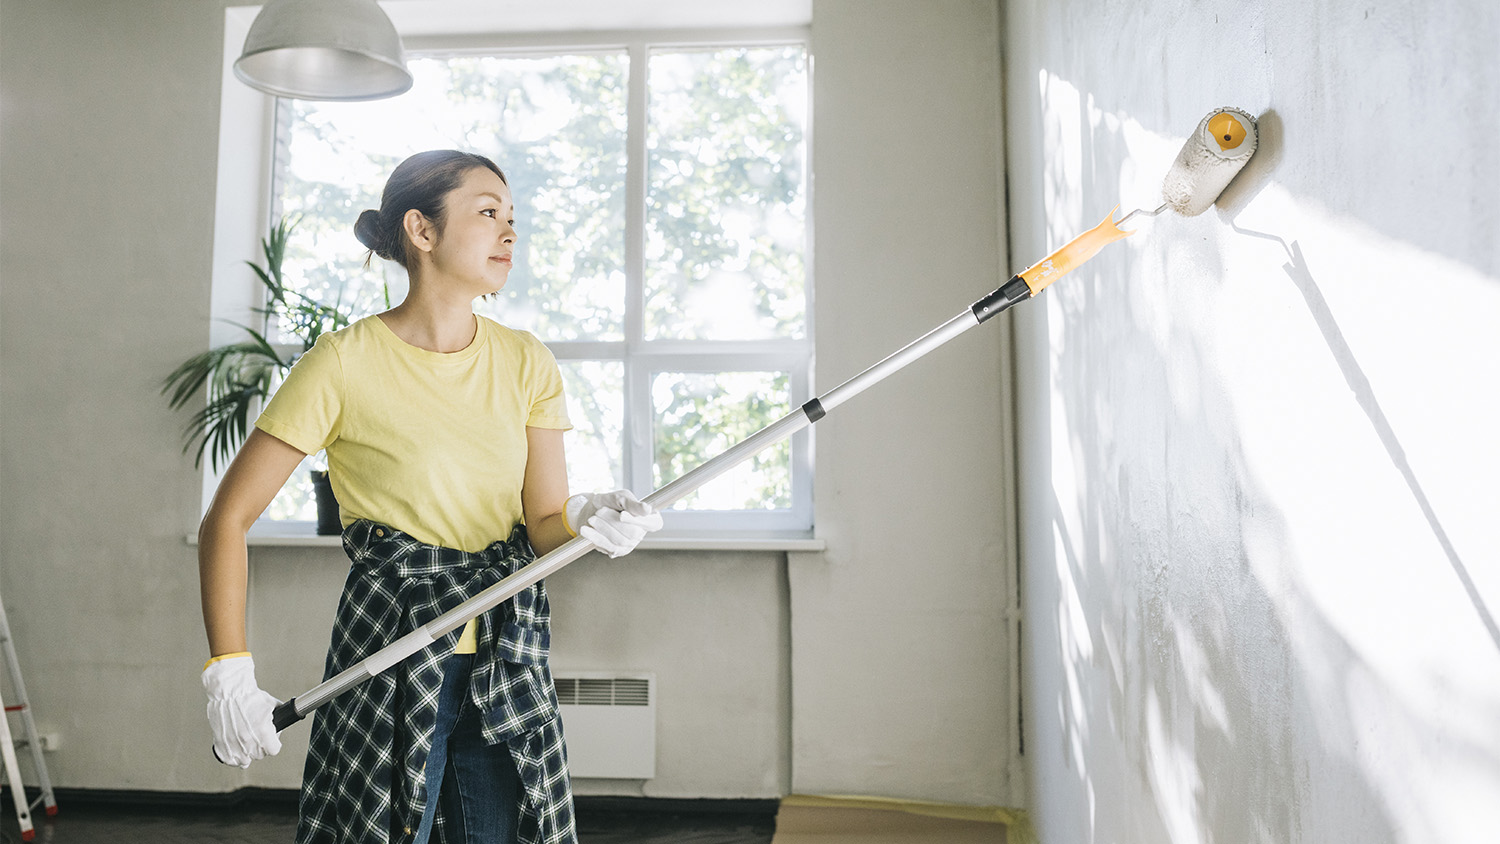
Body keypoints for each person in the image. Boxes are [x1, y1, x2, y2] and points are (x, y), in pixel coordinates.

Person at [197, 149, 663, 844]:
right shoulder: (343, 363)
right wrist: (228, 674)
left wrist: (588, 519)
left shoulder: (525, 359)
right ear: (422, 230)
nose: (509, 232)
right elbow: (226, 520)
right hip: (392, 645)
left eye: (513, 218)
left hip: (505, 651)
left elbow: (542, 523)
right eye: (487, 213)